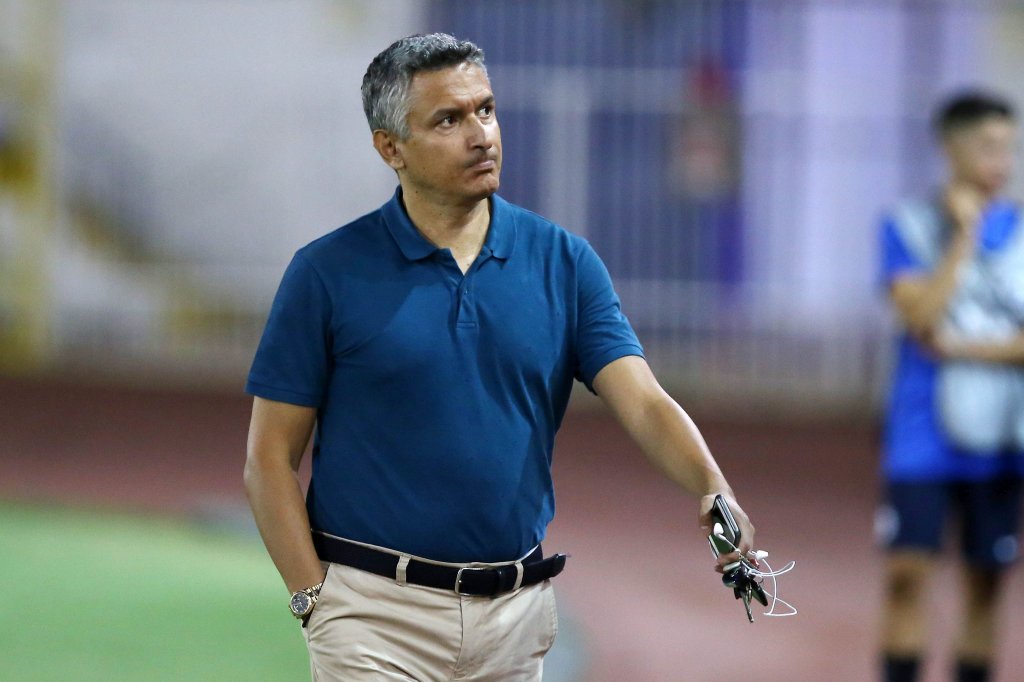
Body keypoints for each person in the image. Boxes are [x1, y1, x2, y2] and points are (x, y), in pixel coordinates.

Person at [244, 33, 757, 681]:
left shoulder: (565, 263)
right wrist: (315, 602)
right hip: (373, 621)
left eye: (485, 110)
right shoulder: (327, 274)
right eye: (448, 120)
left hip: (516, 622)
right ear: (390, 147)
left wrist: (712, 485)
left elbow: (645, 402)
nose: (480, 135)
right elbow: (268, 459)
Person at [877, 91, 1024, 682]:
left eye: (1008, 148)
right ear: (950, 147)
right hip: (921, 433)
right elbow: (919, 317)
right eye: (987, 146)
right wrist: (963, 237)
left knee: (987, 583)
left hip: (1002, 435)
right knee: (906, 575)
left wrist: (960, 348)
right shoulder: (907, 225)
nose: (1000, 161)